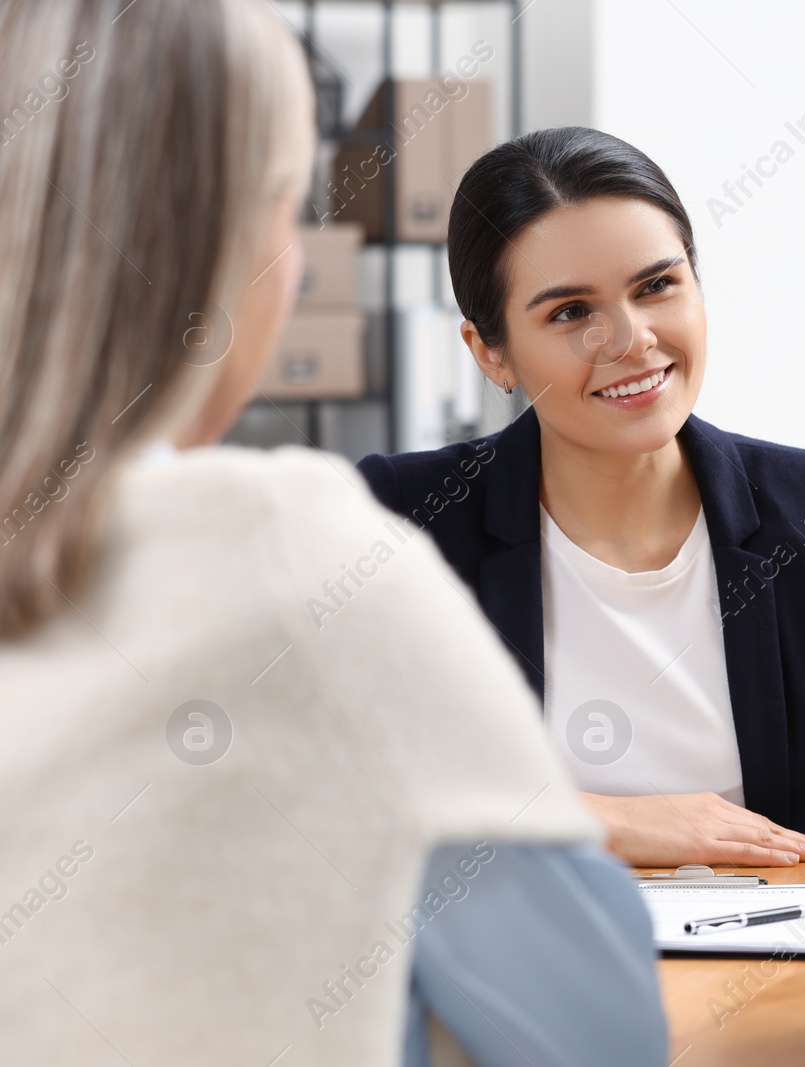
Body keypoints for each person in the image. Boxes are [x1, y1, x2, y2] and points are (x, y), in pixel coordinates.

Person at [0, 2, 663, 1064]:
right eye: (295, 206)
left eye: (656, 285)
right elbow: (600, 1033)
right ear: (234, 237)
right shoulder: (287, 552)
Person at [357, 127, 805, 866]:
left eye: (656, 286)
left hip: (758, 970)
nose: (633, 339)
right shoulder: (402, 516)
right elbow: (327, 785)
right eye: (570, 313)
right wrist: (596, 819)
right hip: (492, 963)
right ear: (491, 352)